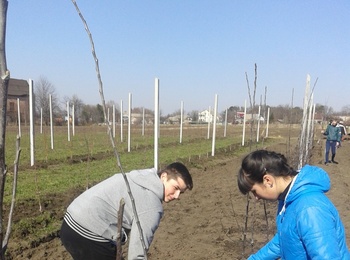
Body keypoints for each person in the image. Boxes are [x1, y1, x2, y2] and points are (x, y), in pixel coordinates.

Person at [60, 162, 193, 260]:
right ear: (164, 176)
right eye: (175, 188)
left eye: (180, 192)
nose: (176, 196)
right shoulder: (152, 206)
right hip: (90, 234)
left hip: (69, 223)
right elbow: (137, 251)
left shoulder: (139, 176)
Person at [237, 150, 350, 259]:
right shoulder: (289, 199)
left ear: (268, 180)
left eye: (254, 191)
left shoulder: (310, 209)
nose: (256, 198)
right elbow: (285, 239)